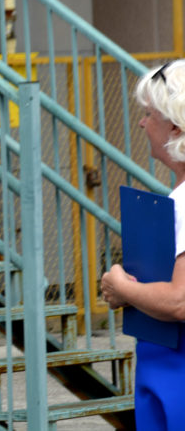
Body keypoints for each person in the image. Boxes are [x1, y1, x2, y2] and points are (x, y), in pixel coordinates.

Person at [101, 59, 185, 430]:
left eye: (149, 114)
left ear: (175, 126)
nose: (141, 122)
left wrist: (122, 289)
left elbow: (180, 301)